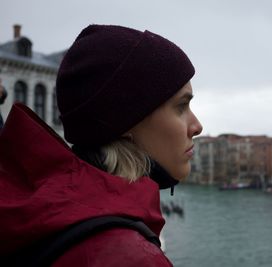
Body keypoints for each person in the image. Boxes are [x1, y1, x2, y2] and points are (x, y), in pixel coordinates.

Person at [0, 24, 202, 266]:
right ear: (126, 120)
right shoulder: (131, 258)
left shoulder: (45, 214)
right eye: (181, 106)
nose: (197, 126)